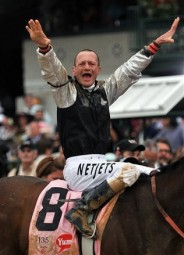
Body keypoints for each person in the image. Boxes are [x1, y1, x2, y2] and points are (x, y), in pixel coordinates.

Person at [26, 17, 180, 238]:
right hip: (78, 168)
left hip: (101, 164)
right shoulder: (65, 91)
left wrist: (154, 45)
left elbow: (127, 72)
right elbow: (53, 72)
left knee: (151, 173)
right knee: (131, 170)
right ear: (74, 69)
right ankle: (81, 209)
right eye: (82, 64)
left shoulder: (104, 93)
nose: (86, 67)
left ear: (98, 69)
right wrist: (44, 47)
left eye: (91, 64)